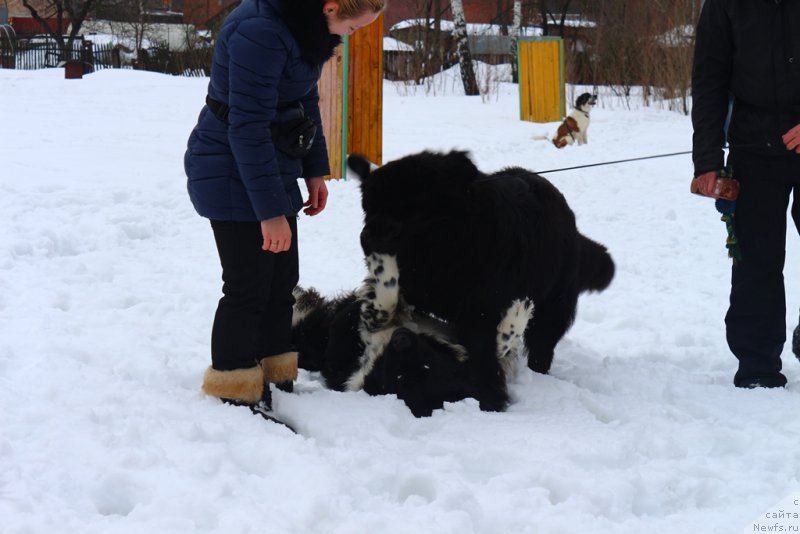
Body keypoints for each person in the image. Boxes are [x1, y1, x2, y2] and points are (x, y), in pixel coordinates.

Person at [184, 0, 383, 418]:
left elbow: (304, 99)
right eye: (353, 27)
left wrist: (314, 171)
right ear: (331, 7)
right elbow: (247, 127)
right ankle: (234, 388)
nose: (351, 36)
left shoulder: (306, 29)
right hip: (228, 168)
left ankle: (276, 378)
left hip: (268, 166)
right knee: (248, 286)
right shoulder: (260, 31)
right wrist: (271, 213)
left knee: (281, 283)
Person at [691, 0, 800, 388]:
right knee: (755, 259)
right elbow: (709, 77)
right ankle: (757, 366)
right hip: (753, 148)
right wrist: (707, 158)